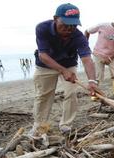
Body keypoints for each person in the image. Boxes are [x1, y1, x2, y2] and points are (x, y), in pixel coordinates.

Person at [31, 3, 97, 136]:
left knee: (71, 93)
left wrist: (92, 81)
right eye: (65, 24)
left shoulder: (79, 37)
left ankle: (66, 124)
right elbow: (43, 55)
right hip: (45, 65)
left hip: (69, 64)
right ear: (55, 18)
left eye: (73, 25)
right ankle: (40, 126)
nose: (69, 28)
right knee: (43, 95)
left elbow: (87, 59)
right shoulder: (42, 28)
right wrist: (62, 70)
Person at [85, 14, 114, 95]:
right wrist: (85, 45)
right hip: (98, 54)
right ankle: (95, 95)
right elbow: (87, 31)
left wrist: (110, 58)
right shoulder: (103, 25)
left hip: (113, 56)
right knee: (97, 77)